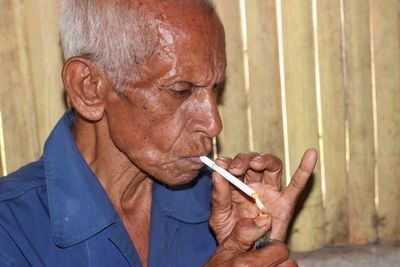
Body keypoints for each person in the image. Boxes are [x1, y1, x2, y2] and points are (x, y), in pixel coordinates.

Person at [0, 0, 317, 266]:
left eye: (215, 87)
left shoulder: (217, 207)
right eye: (181, 90)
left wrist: (259, 244)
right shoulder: (12, 228)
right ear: (89, 88)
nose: (213, 123)